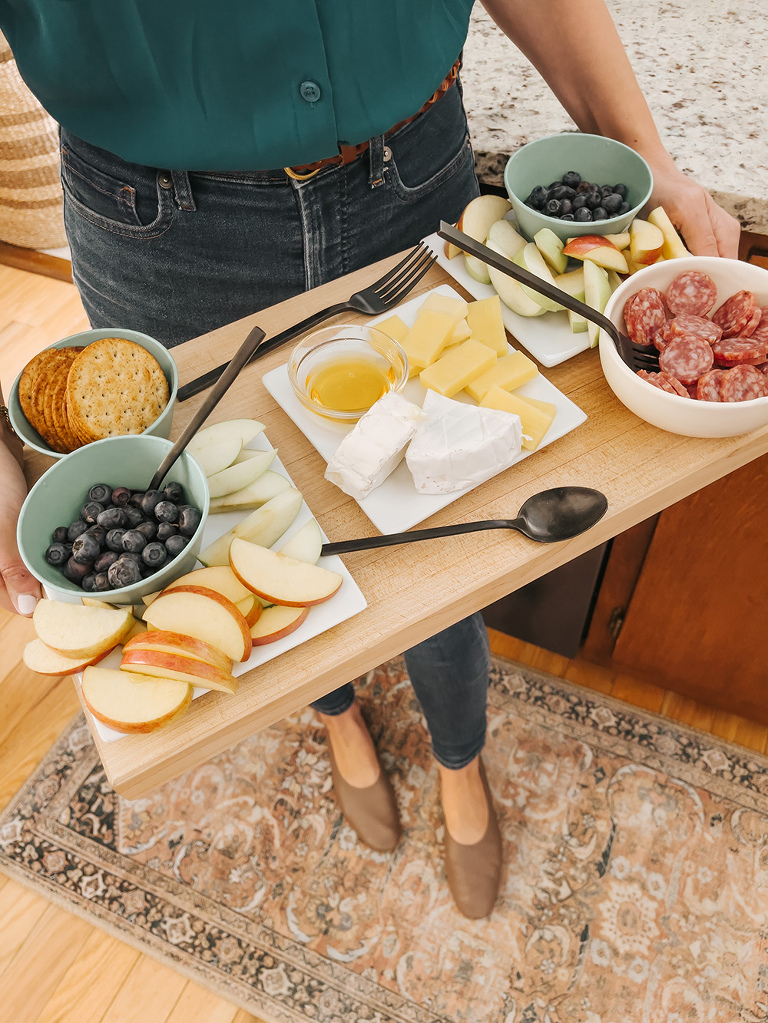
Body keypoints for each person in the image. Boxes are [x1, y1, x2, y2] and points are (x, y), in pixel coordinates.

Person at [0, 0, 741, 918]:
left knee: (445, 543)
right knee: (251, 548)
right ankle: (338, 713)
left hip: (412, 174)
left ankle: (459, 758)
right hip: (158, 223)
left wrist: (644, 155)